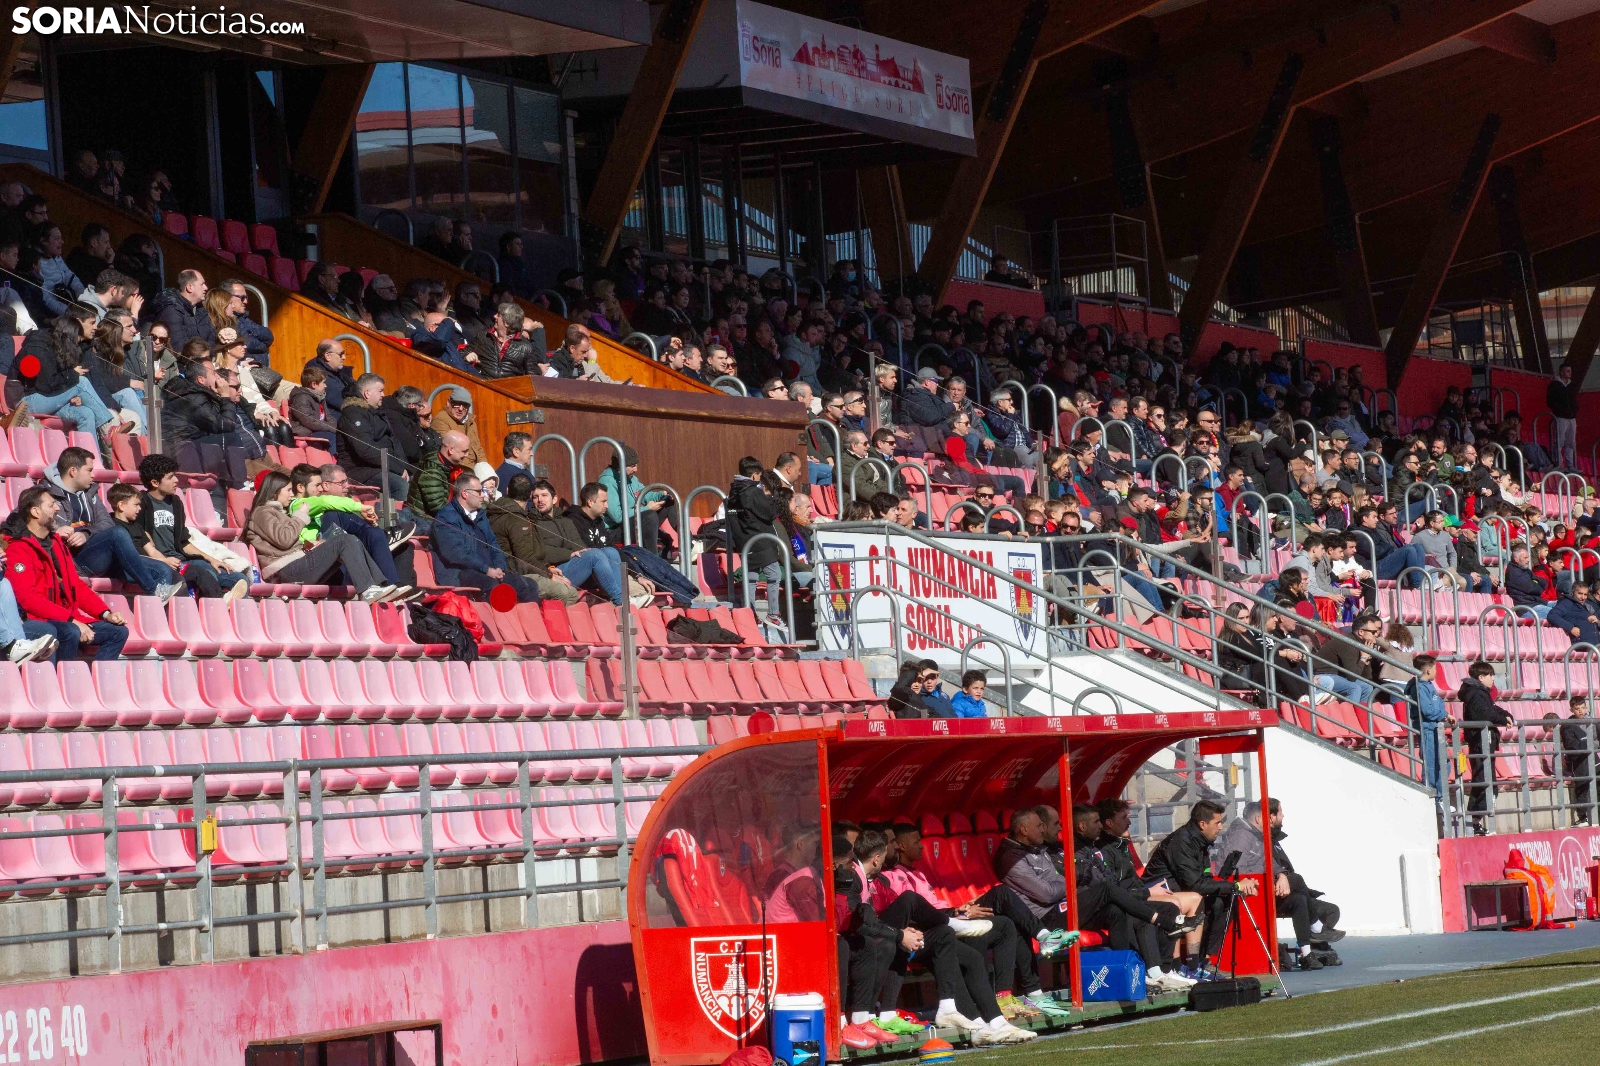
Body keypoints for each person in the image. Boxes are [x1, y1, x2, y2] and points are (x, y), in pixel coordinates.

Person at [877, 823, 1067, 1020]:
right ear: (902, 845)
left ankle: (1005, 997)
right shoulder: (891, 876)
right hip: (939, 926)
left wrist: (962, 908)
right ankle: (1043, 936)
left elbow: (933, 906)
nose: (922, 846)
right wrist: (956, 912)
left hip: (953, 916)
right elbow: (918, 914)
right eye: (916, 842)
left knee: (1007, 924)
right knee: (1001, 893)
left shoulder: (918, 872)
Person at [0, 485, 128, 661]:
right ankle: (63, 676)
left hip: (64, 616)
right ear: (36, 512)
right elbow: (28, 599)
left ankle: (97, 676)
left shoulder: (56, 543)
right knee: (69, 632)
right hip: (37, 619)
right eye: (51, 504)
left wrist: (106, 614)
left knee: (118, 632)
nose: (57, 508)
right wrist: (71, 621)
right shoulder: (17, 547)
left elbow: (75, 585)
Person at [1213, 799, 1344, 971]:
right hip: (1247, 891)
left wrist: (1281, 875)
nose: (1271, 821)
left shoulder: (1257, 836)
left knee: (1298, 899)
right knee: (1297, 880)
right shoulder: (1241, 836)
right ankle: (1316, 927)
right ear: (1258, 819)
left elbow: (1271, 863)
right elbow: (1237, 870)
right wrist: (1271, 879)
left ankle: (1307, 954)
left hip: (1261, 888)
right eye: (1267, 817)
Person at [44, 446, 183, 602]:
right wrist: (57, 531)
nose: (93, 475)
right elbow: (32, 526)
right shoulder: (45, 494)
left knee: (162, 569)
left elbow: (106, 523)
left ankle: (154, 613)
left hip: (102, 555)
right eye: (89, 470)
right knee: (118, 533)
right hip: (74, 561)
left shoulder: (90, 493)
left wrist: (85, 533)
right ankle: (153, 590)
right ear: (73, 471)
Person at [245, 471, 402, 602]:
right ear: (274, 492)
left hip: (295, 564)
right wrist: (300, 516)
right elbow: (284, 539)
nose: (292, 494)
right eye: (288, 490)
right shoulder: (262, 512)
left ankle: (378, 586)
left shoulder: (277, 513)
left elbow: (284, 541)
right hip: (285, 571)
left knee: (352, 539)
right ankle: (367, 590)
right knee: (344, 541)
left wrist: (311, 545)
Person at [1143, 800, 1258, 971]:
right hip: (1160, 895)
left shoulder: (1201, 842)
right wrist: (1236, 886)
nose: (1221, 827)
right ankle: (1189, 966)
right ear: (1203, 824)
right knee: (1200, 899)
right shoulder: (1181, 842)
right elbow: (1195, 884)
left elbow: (1204, 877)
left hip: (1181, 891)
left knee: (1223, 902)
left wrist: (1232, 888)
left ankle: (1203, 960)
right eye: (1217, 823)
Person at [133, 454, 250, 600]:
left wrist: (211, 559)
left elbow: (183, 542)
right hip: (163, 563)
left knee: (239, 578)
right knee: (204, 571)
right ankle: (220, 601)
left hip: (183, 559)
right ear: (155, 482)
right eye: (170, 477)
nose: (176, 480)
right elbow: (140, 540)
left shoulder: (175, 502)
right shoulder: (140, 503)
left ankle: (224, 601)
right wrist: (163, 560)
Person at [290, 464, 413, 589]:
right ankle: (383, 536)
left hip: (339, 550)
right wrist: (360, 507)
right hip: (317, 556)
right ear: (300, 487)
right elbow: (325, 501)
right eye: (317, 485)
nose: (320, 488)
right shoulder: (298, 505)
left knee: (398, 544)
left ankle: (394, 587)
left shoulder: (331, 504)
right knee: (334, 514)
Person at [430, 471, 541, 603]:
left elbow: (494, 544)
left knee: (529, 586)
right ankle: (496, 617)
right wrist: (487, 570)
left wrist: (500, 568)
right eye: (479, 492)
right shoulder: (446, 517)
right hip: (459, 573)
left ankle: (521, 617)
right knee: (492, 587)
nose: (483, 495)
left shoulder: (480, 516)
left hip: (488, 572)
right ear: (465, 494)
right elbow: (456, 554)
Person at [1458, 660, 1514, 834]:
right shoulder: (1475, 693)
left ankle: (1473, 822)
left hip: (1484, 741)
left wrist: (1505, 715)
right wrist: (1502, 719)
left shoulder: (1480, 693)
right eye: (1491, 675)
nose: (1493, 679)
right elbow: (1485, 714)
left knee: (1485, 782)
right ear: (1481, 677)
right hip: (1480, 741)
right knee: (1485, 782)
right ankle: (1473, 822)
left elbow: (1493, 709)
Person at [336, 372, 411, 501]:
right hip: (359, 470)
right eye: (380, 391)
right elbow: (365, 450)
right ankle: (398, 514)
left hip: (380, 467)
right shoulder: (353, 413)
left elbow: (393, 442)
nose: (383, 395)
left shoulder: (377, 412)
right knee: (399, 485)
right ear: (367, 393)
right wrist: (398, 469)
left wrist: (405, 468)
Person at [600, 445, 680, 557]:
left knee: (669, 503)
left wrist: (661, 495)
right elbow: (617, 516)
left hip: (631, 522)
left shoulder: (631, 479)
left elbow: (644, 494)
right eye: (632, 466)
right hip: (614, 530)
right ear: (621, 466)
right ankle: (652, 559)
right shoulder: (608, 482)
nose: (636, 469)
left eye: (636, 465)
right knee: (649, 516)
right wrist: (647, 508)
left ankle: (690, 544)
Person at [1406, 653, 1452, 797]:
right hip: (1428, 729)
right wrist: (1444, 715)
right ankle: (1434, 797)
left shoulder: (1428, 685)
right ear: (1428, 670)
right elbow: (1427, 710)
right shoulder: (1419, 687)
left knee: (1444, 763)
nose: (1436, 671)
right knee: (1432, 764)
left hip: (1436, 728)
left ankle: (1440, 796)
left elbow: (1438, 704)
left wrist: (1443, 714)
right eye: (1435, 668)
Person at [408, 431, 474, 520]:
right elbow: (438, 508)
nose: (467, 455)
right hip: (423, 520)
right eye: (464, 451)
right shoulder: (432, 471)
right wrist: (467, 510)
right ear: (451, 450)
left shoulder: (447, 466)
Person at [153, 268, 213, 352]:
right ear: (190, 287)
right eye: (202, 284)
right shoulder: (172, 311)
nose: (206, 288)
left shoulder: (201, 309)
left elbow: (211, 338)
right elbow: (179, 348)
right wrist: (203, 357)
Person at [1559, 697, 1596, 825]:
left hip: (1594, 758)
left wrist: (1591, 746)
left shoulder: (1593, 722)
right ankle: (1583, 817)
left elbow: (1597, 739)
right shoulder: (1568, 725)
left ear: (1586, 708)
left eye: (1582, 708)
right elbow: (1568, 744)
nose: (1580, 711)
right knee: (1581, 787)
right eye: (1577, 709)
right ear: (1571, 710)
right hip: (1578, 761)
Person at [289, 364, 339, 454]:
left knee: (342, 436)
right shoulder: (301, 398)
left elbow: (328, 417)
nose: (325, 386)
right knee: (332, 437)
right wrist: (332, 429)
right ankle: (336, 458)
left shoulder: (320, 397)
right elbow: (309, 422)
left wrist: (338, 428)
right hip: (308, 431)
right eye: (323, 383)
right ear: (314, 384)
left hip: (320, 428)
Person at [431, 386, 487, 466]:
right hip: (457, 468)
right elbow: (452, 455)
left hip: (474, 467)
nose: (460, 409)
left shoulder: (470, 421)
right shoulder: (440, 420)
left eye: (465, 405)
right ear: (449, 402)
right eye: (457, 403)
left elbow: (478, 449)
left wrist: (484, 466)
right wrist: (470, 472)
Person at [304, 338, 356, 415]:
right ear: (327, 356)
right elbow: (345, 402)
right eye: (341, 354)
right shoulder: (319, 376)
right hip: (336, 418)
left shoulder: (335, 369)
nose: (344, 357)